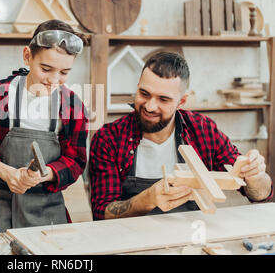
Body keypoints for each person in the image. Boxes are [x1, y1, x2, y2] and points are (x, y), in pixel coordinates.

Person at [89, 51, 273, 220]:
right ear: (137, 88)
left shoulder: (203, 130)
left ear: (181, 102)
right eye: (144, 94)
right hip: (131, 241)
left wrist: (256, 177)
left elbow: (261, 194)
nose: (150, 106)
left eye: (163, 99)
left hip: (191, 237)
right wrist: (147, 199)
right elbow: (101, 212)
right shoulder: (109, 138)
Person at [0, 19, 89, 235]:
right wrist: (6, 173)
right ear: (27, 56)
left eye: (64, 72)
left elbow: (76, 160)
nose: (54, 80)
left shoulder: (72, 105)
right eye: (46, 69)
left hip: (48, 213)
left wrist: (46, 173)